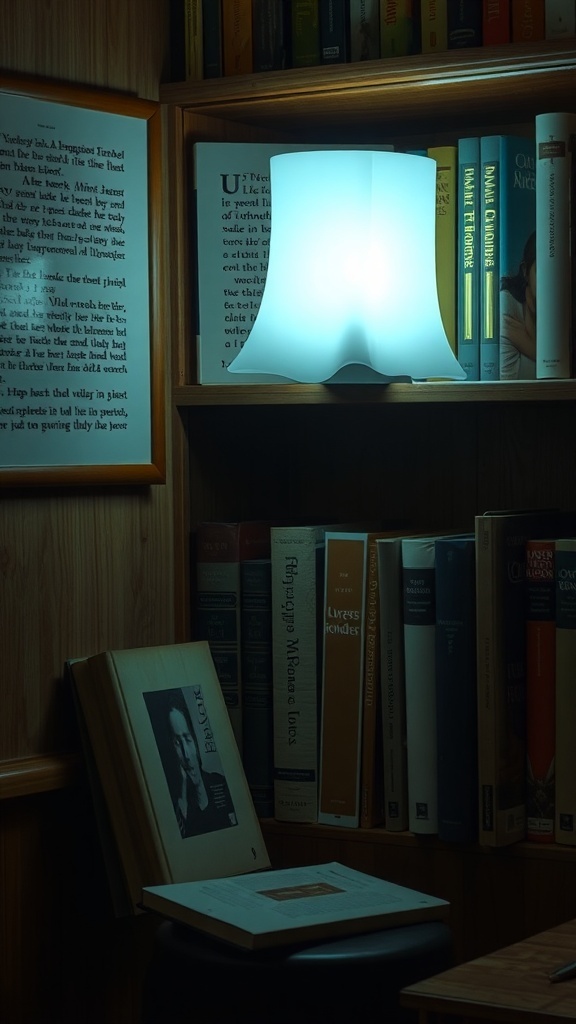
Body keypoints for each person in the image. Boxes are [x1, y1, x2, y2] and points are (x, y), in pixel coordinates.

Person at [166, 693, 237, 839]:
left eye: (187, 738)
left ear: (196, 741)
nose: (186, 754)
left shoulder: (221, 784)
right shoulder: (179, 807)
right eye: (177, 743)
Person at [499, 230, 536, 380]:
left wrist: (532, 349)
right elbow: (504, 386)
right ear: (525, 271)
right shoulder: (505, 308)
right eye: (542, 271)